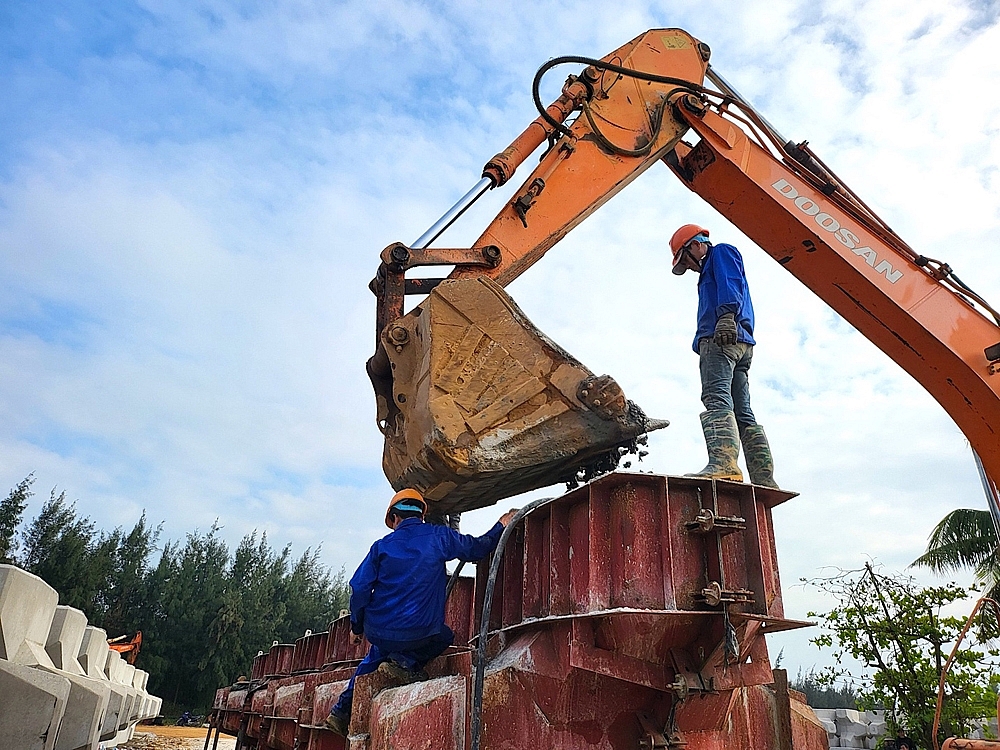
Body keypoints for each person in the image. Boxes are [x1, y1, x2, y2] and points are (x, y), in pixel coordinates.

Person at [325, 488, 518, 736]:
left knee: (376, 654)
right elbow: (478, 549)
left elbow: (360, 588)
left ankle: (340, 712)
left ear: (394, 518)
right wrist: (501, 525)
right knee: (445, 637)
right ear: (422, 516)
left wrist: (356, 627)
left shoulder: (381, 547)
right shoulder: (439, 537)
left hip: (380, 633)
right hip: (422, 632)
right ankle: (406, 663)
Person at [670, 224, 778, 488]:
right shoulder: (712, 264)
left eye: (686, 259)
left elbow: (732, 283)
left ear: (696, 245)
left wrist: (727, 317)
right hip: (739, 343)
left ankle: (723, 465)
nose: (690, 267)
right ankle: (764, 479)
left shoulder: (720, 253)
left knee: (716, 396)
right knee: (743, 410)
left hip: (722, 339)